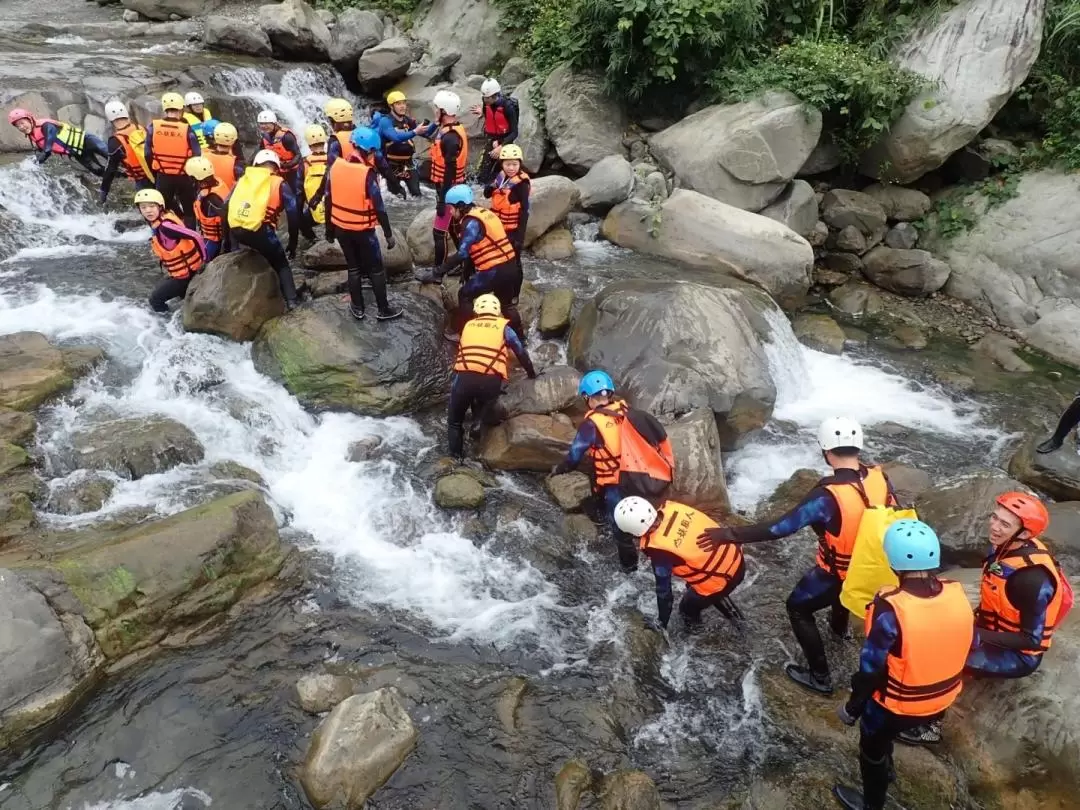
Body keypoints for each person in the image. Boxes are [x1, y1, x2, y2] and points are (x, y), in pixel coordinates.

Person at [697, 417, 898, 695]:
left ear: (826, 452)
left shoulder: (826, 497)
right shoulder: (881, 478)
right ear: (858, 448)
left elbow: (779, 528)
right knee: (842, 589)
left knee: (798, 607)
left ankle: (820, 677)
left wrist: (727, 535)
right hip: (877, 567)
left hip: (840, 572)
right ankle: (840, 631)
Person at [898, 491, 1067, 747]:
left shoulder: (1031, 580)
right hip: (991, 627)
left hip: (1018, 655)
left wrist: (974, 636)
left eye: (1004, 524)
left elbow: (1032, 640)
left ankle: (931, 726)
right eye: (994, 518)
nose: (994, 526)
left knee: (944, 658)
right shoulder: (1006, 548)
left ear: (1023, 533)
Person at [832, 519, 973, 810]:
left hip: (897, 708)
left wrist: (851, 708)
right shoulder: (956, 593)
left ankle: (872, 804)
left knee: (871, 750)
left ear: (892, 561)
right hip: (941, 701)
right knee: (885, 736)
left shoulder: (890, 610)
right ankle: (889, 767)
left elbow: (870, 670)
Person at [550, 370, 639, 573]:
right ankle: (603, 513)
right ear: (610, 394)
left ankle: (630, 569)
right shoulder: (625, 409)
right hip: (637, 473)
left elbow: (575, 455)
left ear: (587, 398)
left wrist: (559, 470)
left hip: (617, 482)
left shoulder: (591, 424)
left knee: (621, 530)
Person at [615, 496, 746, 633]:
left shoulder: (659, 551)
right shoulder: (672, 509)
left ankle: (697, 638)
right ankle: (740, 623)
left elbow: (664, 592)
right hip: (736, 560)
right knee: (696, 585)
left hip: (723, 577)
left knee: (686, 608)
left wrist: (661, 623)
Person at [413, 184, 521, 340]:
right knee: (506, 305)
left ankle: (465, 334)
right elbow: (475, 249)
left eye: (451, 208)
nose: (450, 212)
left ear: (461, 206)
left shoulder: (470, 223)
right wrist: (466, 272)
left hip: (494, 271)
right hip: (510, 267)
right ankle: (521, 338)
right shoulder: (484, 213)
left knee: (464, 295)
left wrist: (436, 272)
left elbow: (462, 253)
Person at [323, 127, 403, 322]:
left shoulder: (336, 166)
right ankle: (383, 309)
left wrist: (329, 229)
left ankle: (357, 308)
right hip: (363, 231)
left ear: (353, 145)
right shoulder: (366, 174)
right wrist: (389, 234)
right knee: (376, 269)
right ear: (370, 151)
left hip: (341, 227)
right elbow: (380, 208)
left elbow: (328, 199)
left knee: (353, 268)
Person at [447, 294, 536, 458]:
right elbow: (520, 351)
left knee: (454, 422)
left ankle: (455, 458)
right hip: (489, 382)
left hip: (465, 379)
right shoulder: (504, 328)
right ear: (497, 311)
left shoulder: (468, 326)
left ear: (477, 310)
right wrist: (531, 373)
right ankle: (478, 421)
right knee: (485, 397)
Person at [226, 149, 300, 310]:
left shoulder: (242, 180)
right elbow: (293, 214)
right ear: (276, 167)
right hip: (261, 231)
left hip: (236, 230)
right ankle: (292, 301)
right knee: (282, 264)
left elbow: (226, 207)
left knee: (255, 252)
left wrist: (232, 243)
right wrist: (293, 242)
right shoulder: (279, 183)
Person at [135, 188, 207, 313]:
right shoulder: (159, 221)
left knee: (155, 300)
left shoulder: (166, 226)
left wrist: (205, 262)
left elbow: (196, 236)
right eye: (143, 207)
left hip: (186, 275)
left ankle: (167, 324)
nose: (148, 210)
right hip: (180, 273)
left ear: (160, 207)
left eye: (152, 206)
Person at [321, 97, 404, 198]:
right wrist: (397, 186)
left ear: (332, 120)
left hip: (349, 192)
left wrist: (318, 195)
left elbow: (330, 171)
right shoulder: (366, 134)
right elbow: (383, 166)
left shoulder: (335, 141)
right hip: (370, 189)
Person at [145, 92, 202, 228]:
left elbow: (147, 154)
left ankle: (166, 238)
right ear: (181, 110)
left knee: (163, 209)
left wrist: (155, 173)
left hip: (163, 176)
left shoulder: (153, 127)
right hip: (184, 176)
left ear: (165, 109)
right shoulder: (187, 129)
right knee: (189, 211)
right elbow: (197, 154)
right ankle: (190, 238)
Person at [484, 143, 530, 302]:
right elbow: (487, 194)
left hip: (513, 230)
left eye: (515, 164)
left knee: (514, 262)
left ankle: (514, 294)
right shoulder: (500, 176)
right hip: (498, 228)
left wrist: (520, 237)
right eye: (508, 164)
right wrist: (489, 188)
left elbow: (525, 211)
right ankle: (499, 287)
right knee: (498, 259)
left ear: (520, 164)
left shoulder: (522, 184)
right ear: (502, 164)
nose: (511, 167)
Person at [428, 90, 469, 267]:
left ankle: (438, 272)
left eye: (437, 108)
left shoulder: (451, 138)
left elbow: (450, 170)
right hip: (452, 188)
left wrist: (443, 200)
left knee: (439, 232)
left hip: (451, 190)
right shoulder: (449, 130)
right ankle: (463, 265)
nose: (435, 111)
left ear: (444, 111)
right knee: (454, 229)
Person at [8, 108, 110, 176]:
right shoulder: (33, 137)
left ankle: (124, 169)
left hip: (87, 141)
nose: (21, 127)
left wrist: (39, 158)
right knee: (98, 171)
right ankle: (120, 176)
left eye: (22, 123)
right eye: (18, 126)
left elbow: (47, 149)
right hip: (78, 152)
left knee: (113, 157)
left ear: (29, 119)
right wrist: (32, 166)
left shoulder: (46, 126)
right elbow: (43, 154)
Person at [373, 90, 433, 198]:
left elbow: (427, 133)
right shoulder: (385, 122)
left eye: (404, 103)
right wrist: (415, 131)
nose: (402, 106)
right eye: (398, 104)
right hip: (391, 165)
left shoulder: (408, 120)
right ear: (391, 106)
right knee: (397, 196)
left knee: (417, 194)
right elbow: (395, 137)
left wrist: (437, 123)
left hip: (408, 163)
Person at [98, 101, 154, 204]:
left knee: (149, 207)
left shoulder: (115, 140)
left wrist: (104, 190)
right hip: (157, 174)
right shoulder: (140, 128)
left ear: (110, 118)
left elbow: (111, 169)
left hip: (142, 179)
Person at [470, 78, 518, 186]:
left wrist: (501, 146)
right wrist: (482, 113)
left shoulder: (508, 107)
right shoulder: (486, 101)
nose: (485, 100)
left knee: (506, 172)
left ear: (495, 95)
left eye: (487, 98)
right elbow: (490, 115)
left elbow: (514, 132)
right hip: (493, 139)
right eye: (484, 97)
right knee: (482, 174)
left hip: (506, 141)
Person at [184, 156, 229, 261]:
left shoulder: (210, 198)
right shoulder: (216, 183)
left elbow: (225, 218)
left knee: (200, 261)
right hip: (209, 236)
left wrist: (226, 245)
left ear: (194, 177)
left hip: (214, 240)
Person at [256, 110, 303, 196]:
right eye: (261, 124)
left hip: (292, 171)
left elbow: (298, 155)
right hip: (276, 171)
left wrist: (286, 165)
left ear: (274, 123)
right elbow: (260, 154)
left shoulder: (286, 136)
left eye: (266, 123)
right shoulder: (265, 138)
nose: (264, 126)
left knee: (296, 194)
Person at [301, 123, 329, 237]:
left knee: (301, 223)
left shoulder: (305, 162)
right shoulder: (333, 159)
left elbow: (301, 186)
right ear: (324, 142)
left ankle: (313, 240)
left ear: (309, 146)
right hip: (334, 207)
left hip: (314, 205)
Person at [204, 121, 245, 192]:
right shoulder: (236, 163)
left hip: (209, 198)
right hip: (228, 199)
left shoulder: (204, 157)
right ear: (234, 141)